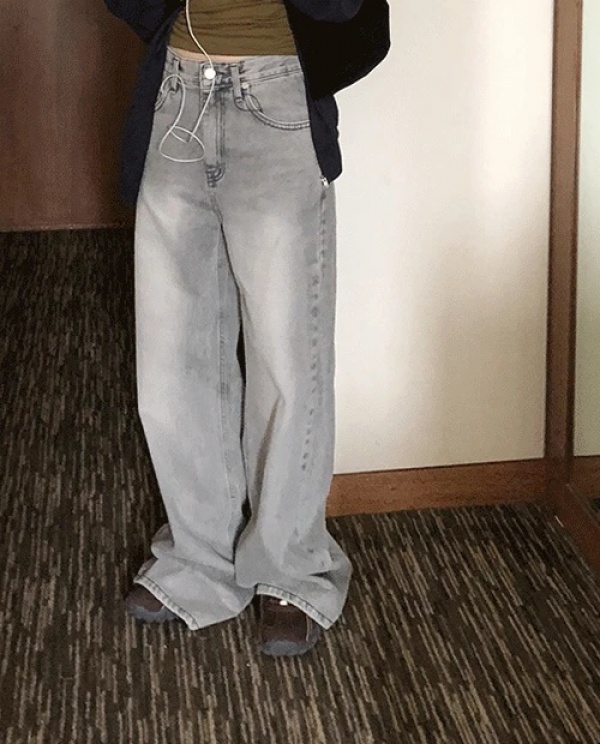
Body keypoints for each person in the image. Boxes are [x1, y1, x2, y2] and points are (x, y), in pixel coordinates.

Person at [103, 0, 390, 656]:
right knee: (172, 360)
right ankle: (197, 558)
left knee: (288, 364)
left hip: (277, 96)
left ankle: (290, 570)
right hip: (176, 92)